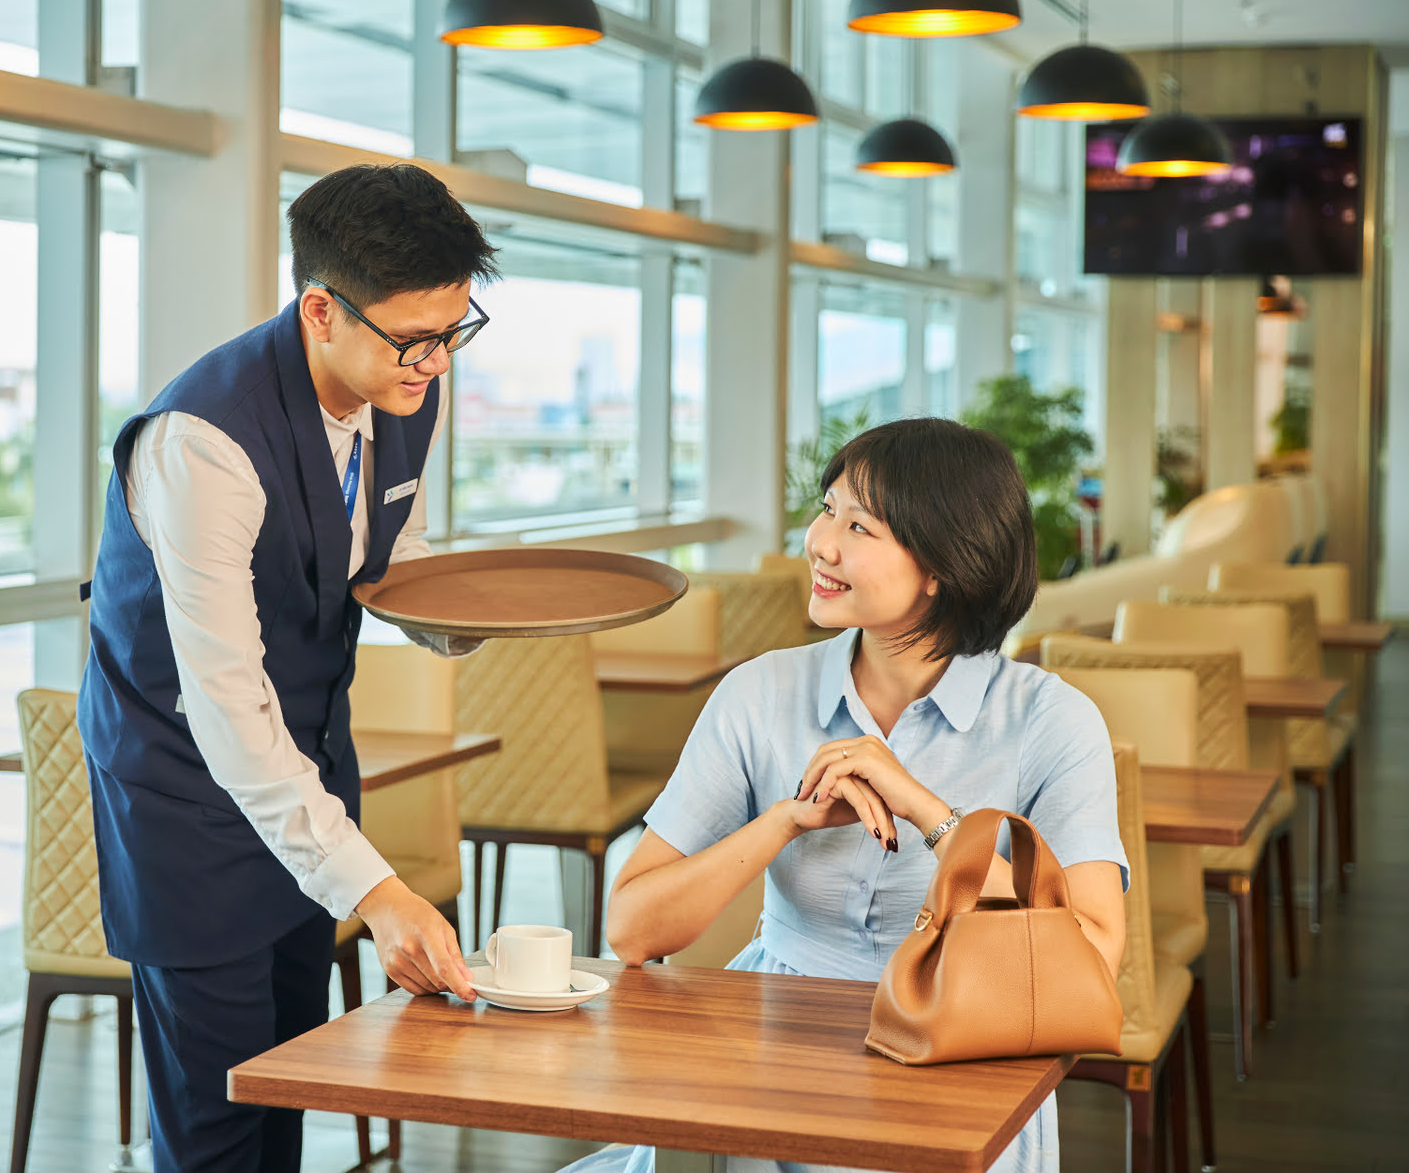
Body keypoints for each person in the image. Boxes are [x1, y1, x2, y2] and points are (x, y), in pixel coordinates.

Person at [565, 417, 1129, 1173]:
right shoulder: (759, 693)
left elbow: (1092, 954)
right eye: (827, 510)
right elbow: (633, 930)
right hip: (766, 1057)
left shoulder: (1051, 721)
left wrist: (926, 811)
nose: (820, 543)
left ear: (943, 565)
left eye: (859, 526)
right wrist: (782, 823)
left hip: (961, 1060)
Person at [78, 163, 495, 1172]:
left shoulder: (400, 388)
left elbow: (389, 559)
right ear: (321, 309)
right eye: (414, 338)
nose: (435, 362)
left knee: (285, 1094)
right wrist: (378, 887)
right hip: (184, 792)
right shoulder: (203, 444)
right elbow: (225, 705)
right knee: (217, 1117)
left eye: (455, 331)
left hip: (306, 774)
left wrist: (477, 612)